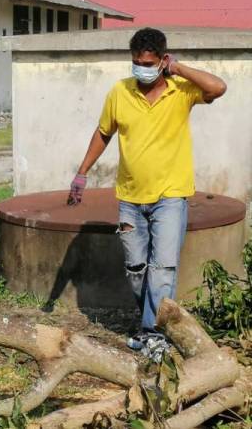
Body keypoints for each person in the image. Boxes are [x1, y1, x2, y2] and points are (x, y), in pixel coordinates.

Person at [67, 28, 226, 353]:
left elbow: (218, 87)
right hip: (130, 199)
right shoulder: (120, 92)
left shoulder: (181, 90)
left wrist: (179, 68)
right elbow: (103, 133)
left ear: (162, 61)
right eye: (137, 62)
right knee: (137, 271)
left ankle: (154, 333)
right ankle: (151, 325)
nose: (142, 68)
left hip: (170, 196)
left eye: (149, 63)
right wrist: (82, 173)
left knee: (162, 269)